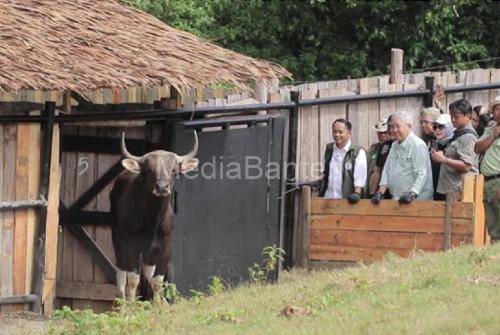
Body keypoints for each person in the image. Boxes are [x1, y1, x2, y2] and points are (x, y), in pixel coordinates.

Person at [371, 110, 434, 204]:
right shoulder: (394, 145)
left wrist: (413, 193)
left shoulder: (418, 145)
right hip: (397, 199)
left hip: (417, 201)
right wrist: (380, 192)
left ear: (409, 126)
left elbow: (422, 173)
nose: (394, 130)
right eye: (391, 127)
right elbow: (387, 170)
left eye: (397, 126)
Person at [431, 99, 478, 201]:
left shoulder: (467, 137)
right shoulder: (457, 134)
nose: (452, 119)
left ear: (467, 117)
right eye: (451, 116)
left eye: (456, 117)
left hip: (458, 191)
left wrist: (444, 160)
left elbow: (467, 166)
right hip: (450, 189)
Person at [319, 119, 367, 204]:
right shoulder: (329, 149)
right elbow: (326, 173)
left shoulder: (357, 152)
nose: (337, 135)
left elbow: (359, 179)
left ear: (349, 133)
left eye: (340, 132)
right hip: (328, 199)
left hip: (347, 201)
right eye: (334, 132)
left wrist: (356, 195)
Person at [474, 95, 500, 242]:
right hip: (488, 181)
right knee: (492, 223)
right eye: (496, 109)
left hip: (498, 180)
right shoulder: (490, 128)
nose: (498, 112)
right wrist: (492, 136)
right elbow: (477, 148)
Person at [368, 116, 395, 197]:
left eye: (385, 132)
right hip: (378, 189)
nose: (382, 135)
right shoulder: (374, 148)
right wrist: (371, 193)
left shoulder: (396, 146)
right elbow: (375, 171)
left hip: (393, 190)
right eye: (380, 133)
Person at [430, 113, 454, 199]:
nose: (437, 130)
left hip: (451, 189)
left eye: (441, 127)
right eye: (435, 127)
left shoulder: (454, 143)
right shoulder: (435, 144)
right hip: (437, 187)